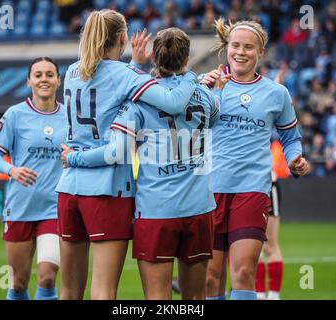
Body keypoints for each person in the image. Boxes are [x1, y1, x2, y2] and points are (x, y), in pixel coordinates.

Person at [62, 27, 218, 300]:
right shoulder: (206, 97)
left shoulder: (136, 103)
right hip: (200, 206)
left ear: (155, 57)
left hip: (156, 209)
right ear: (186, 58)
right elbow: (213, 113)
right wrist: (199, 80)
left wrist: (73, 158)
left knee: (157, 298)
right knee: (195, 299)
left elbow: (116, 152)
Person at [201, 19, 310, 300]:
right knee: (211, 278)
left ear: (261, 52)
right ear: (227, 48)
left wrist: (294, 158)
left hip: (252, 190)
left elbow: (290, 137)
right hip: (208, 191)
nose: (241, 52)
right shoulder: (206, 86)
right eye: (235, 45)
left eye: (249, 47)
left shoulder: (277, 94)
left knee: (244, 272)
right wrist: (204, 92)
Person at [0, 57, 65, 300]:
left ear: (58, 81)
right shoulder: (15, 115)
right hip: (20, 208)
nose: (44, 79)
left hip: (54, 209)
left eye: (49, 74)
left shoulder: (70, 116)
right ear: (28, 81)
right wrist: (12, 170)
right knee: (18, 284)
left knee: (48, 277)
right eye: (38, 75)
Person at [255, 139, 288, 300]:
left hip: (266, 184)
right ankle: (260, 294)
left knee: (269, 245)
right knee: (251, 247)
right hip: (243, 187)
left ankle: (274, 295)